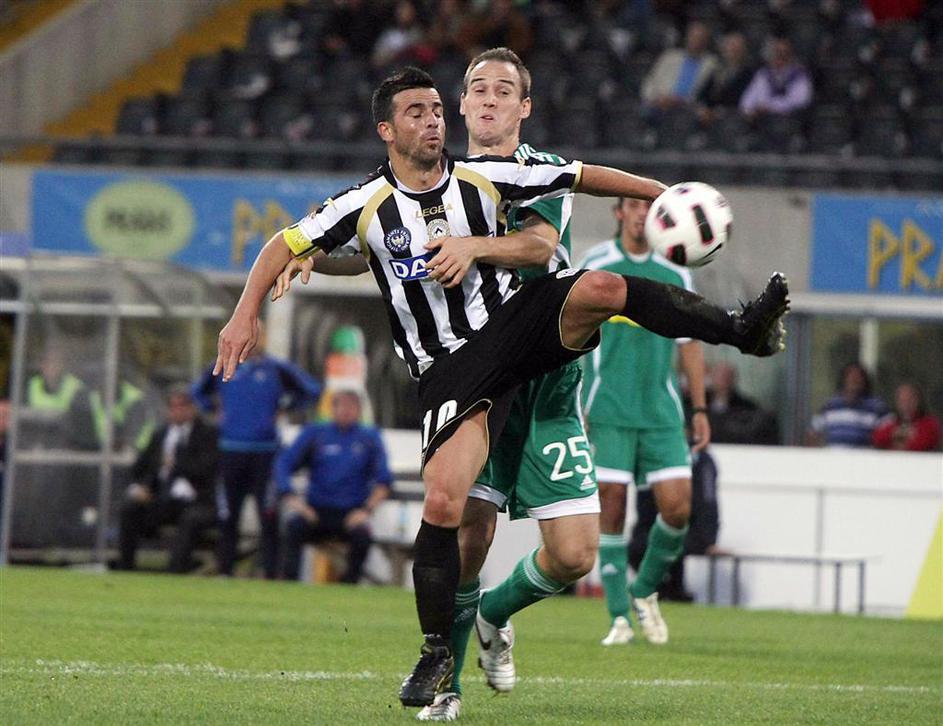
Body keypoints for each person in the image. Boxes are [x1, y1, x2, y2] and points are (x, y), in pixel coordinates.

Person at [214, 66, 790, 709]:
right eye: (419, 112)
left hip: (514, 332)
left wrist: (663, 196)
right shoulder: (364, 203)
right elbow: (288, 242)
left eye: (436, 109)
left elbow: (578, 184)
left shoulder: (488, 177)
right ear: (387, 130)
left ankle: (742, 329)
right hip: (449, 368)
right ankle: (439, 658)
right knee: (445, 504)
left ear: (520, 106)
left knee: (601, 288)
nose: (433, 120)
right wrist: (246, 312)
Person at [580, 197, 711, 646]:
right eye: (634, 206)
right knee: (612, 507)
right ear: (618, 213)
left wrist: (699, 408)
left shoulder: (675, 273)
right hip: (608, 409)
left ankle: (645, 590)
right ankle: (619, 616)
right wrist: (572, 400)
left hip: (661, 412)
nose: (641, 214)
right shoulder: (596, 266)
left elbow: (691, 344)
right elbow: (571, 333)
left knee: (678, 508)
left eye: (648, 208)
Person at [192, 324, 321, 579]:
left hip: (265, 453)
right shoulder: (223, 364)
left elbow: (311, 391)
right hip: (231, 451)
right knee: (228, 514)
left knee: (268, 515)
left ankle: (270, 574)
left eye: (257, 335)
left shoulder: (276, 369)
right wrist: (214, 410)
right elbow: (197, 392)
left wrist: (287, 406)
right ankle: (225, 572)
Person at [276, 387, 393, 582]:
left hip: (351, 513)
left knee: (362, 537)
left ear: (359, 411)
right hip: (315, 512)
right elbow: (284, 463)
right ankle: (290, 584)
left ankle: (348, 585)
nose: (346, 412)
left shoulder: (369, 438)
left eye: (352, 407)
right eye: (342, 407)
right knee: (293, 528)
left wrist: (366, 511)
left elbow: (384, 481)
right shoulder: (316, 433)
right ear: (332, 409)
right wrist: (292, 498)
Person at [115, 385, 219, 573]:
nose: (177, 411)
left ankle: (175, 571)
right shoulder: (160, 435)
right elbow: (139, 468)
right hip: (162, 497)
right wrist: (142, 487)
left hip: (195, 499)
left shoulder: (207, 435)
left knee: (191, 519)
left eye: (182, 406)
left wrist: (177, 464)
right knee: (130, 509)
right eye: (173, 406)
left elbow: (207, 470)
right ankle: (125, 568)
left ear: (192, 408)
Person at [629, 432, 720, 603]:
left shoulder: (700, 459)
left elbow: (707, 502)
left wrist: (709, 538)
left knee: (672, 544)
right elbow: (644, 502)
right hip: (660, 524)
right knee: (637, 547)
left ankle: (672, 590)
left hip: (693, 528)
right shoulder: (654, 457)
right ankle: (664, 589)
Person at [641, 21, 718, 113]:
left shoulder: (712, 63)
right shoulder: (669, 56)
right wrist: (656, 99)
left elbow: (706, 94)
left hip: (688, 108)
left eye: (700, 38)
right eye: (693, 37)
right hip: (659, 102)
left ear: (706, 41)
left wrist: (679, 101)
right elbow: (650, 83)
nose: (696, 41)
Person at [808, 362, 887, 448]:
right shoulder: (831, 405)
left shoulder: (876, 407)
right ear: (844, 380)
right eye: (850, 377)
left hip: (863, 456)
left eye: (857, 378)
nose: (854, 380)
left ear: (864, 381)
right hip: (834, 456)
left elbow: (888, 436)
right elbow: (813, 432)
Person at [739, 36, 812, 120]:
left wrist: (771, 107)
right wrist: (750, 111)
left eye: (783, 53)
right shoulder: (763, 74)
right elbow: (747, 100)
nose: (779, 57)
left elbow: (801, 100)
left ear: (790, 55)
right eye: (776, 53)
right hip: (764, 120)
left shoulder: (799, 74)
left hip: (790, 119)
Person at [706, 361, 778, 445]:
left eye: (727, 377)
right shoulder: (700, 403)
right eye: (719, 376)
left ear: (733, 379)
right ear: (712, 377)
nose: (723, 381)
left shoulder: (746, 405)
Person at [695, 31, 754, 125]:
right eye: (730, 45)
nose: (733, 49)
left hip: (731, 118)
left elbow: (742, 101)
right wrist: (704, 109)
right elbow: (702, 94)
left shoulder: (749, 73)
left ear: (743, 50)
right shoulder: (717, 70)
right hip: (709, 116)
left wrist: (716, 113)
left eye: (737, 47)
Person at [873, 382, 941, 452]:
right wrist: (894, 433)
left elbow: (923, 444)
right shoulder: (889, 420)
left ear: (918, 400)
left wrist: (898, 442)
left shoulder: (930, 423)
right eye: (902, 400)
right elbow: (877, 439)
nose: (906, 404)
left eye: (910, 399)